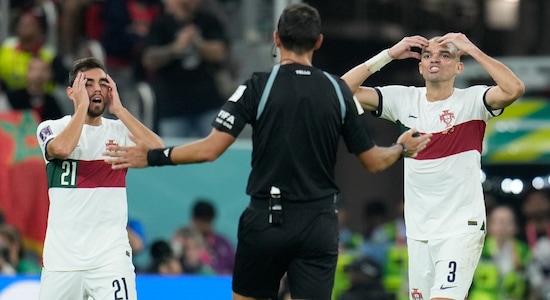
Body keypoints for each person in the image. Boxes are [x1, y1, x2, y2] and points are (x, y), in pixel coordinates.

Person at [104, 3, 431, 299]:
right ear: (318, 42)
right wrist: (401, 147)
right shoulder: (336, 91)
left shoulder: (257, 86)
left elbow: (209, 150)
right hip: (318, 223)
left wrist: (152, 157)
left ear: (276, 38)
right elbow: (373, 162)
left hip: (267, 219)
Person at [341, 33, 525, 300]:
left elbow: (514, 89)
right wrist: (389, 55)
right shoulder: (403, 99)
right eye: (427, 55)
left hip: (461, 227)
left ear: (458, 66)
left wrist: (471, 48)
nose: (434, 59)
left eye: (445, 54)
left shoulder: (473, 100)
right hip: (419, 231)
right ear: (420, 66)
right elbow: (341, 91)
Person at [35, 57, 164, 300]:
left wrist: (120, 111)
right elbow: (61, 149)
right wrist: (81, 108)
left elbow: (158, 150)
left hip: (110, 260)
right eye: (88, 83)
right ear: (71, 92)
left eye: (103, 84)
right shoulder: (50, 128)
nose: (96, 89)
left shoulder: (118, 131)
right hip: (61, 262)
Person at [141, 0, 230, 138]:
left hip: (207, 102)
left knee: (216, 150)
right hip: (172, 106)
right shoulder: (161, 24)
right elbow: (149, 59)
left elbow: (220, 53)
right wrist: (175, 48)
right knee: (172, 153)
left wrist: (198, 43)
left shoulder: (208, 21)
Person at [469, 204, 530, 300]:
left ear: (516, 226)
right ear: (488, 225)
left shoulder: (524, 252)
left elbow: (534, 285)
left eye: (507, 222)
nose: (502, 226)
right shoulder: (477, 249)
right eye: (497, 222)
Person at [189, 199, 235, 274]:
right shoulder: (185, 244)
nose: (206, 225)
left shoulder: (223, 243)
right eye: (203, 221)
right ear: (194, 220)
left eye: (209, 221)